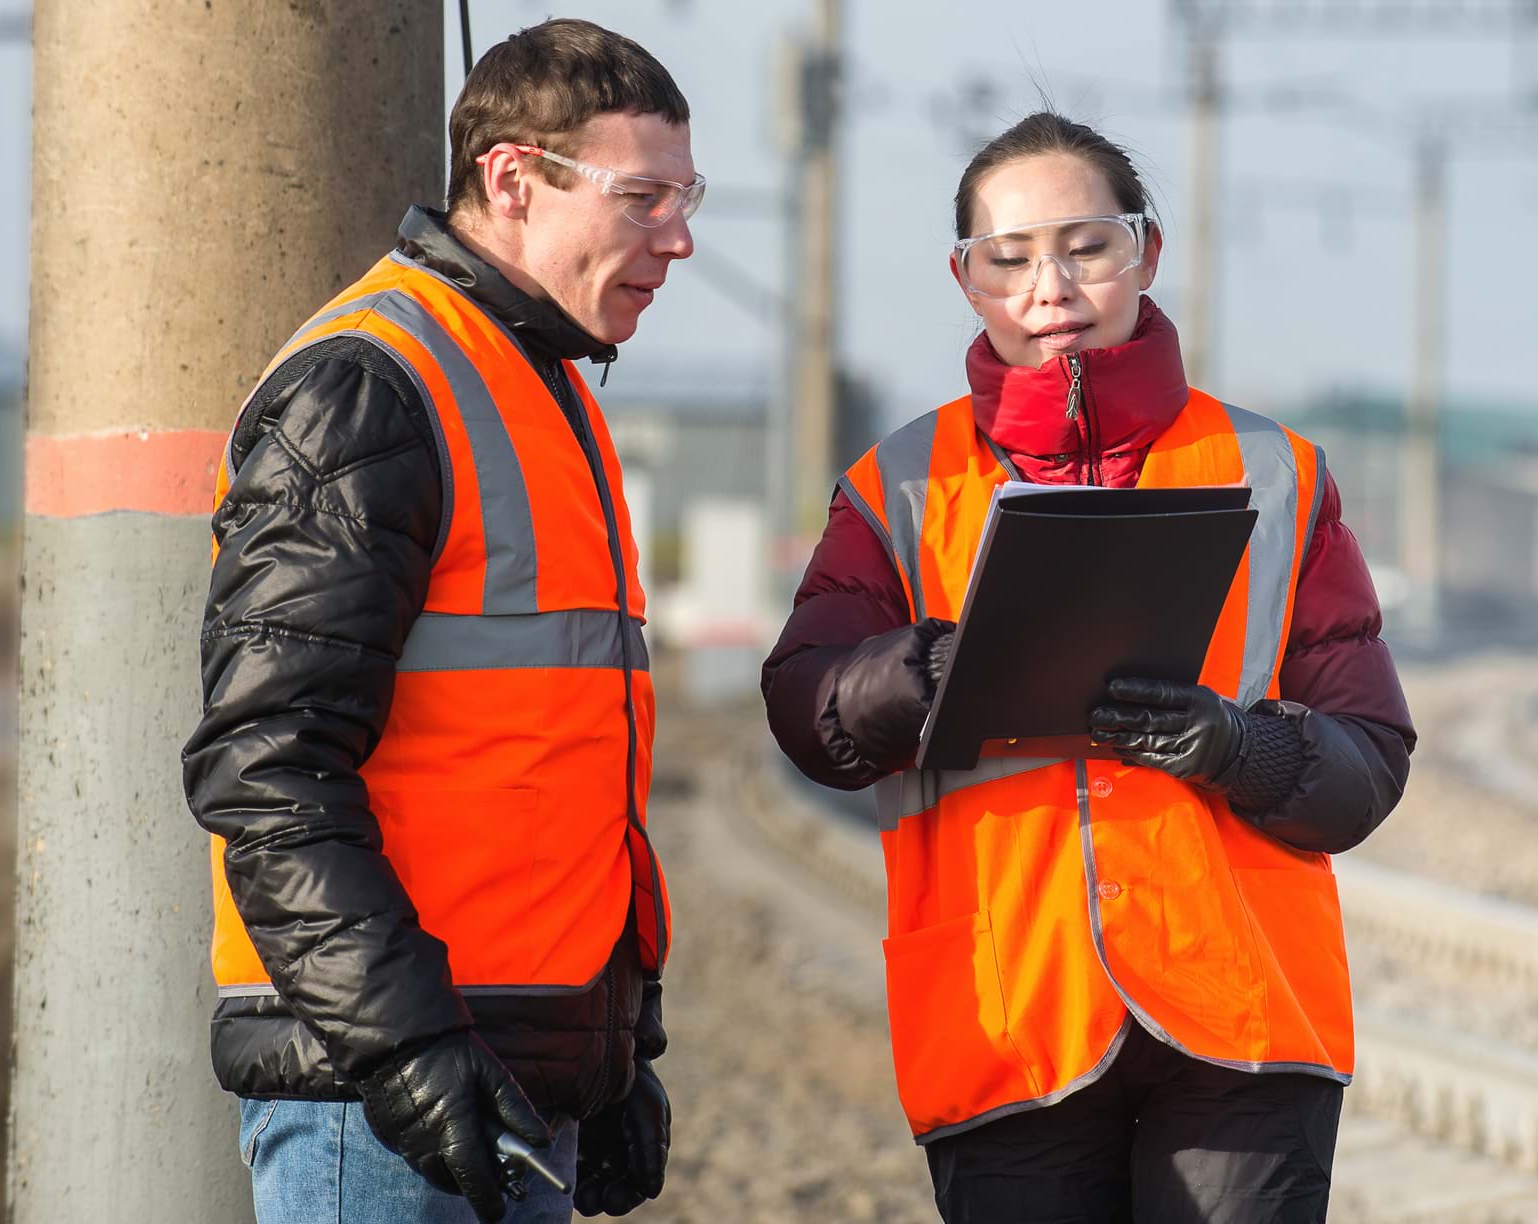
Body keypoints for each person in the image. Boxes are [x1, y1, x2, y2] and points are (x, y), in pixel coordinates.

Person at [761, 112, 1417, 1223]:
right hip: (1008, 1012)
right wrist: (922, 671)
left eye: (1087, 248)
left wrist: (1241, 748)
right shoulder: (896, 487)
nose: (1050, 288)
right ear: (966, 279)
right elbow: (803, 709)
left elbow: (1371, 760)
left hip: (1245, 1015)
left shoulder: (1280, 473)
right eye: (1009, 258)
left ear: (1147, 251)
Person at [182, 20, 698, 1223]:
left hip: (509, 1067)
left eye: (686, 198)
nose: (677, 238)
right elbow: (268, 769)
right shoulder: (369, 388)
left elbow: (555, 763)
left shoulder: (545, 384)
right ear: (512, 180)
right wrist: (409, 1049)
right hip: (382, 1099)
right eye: (642, 198)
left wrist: (615, 1042)